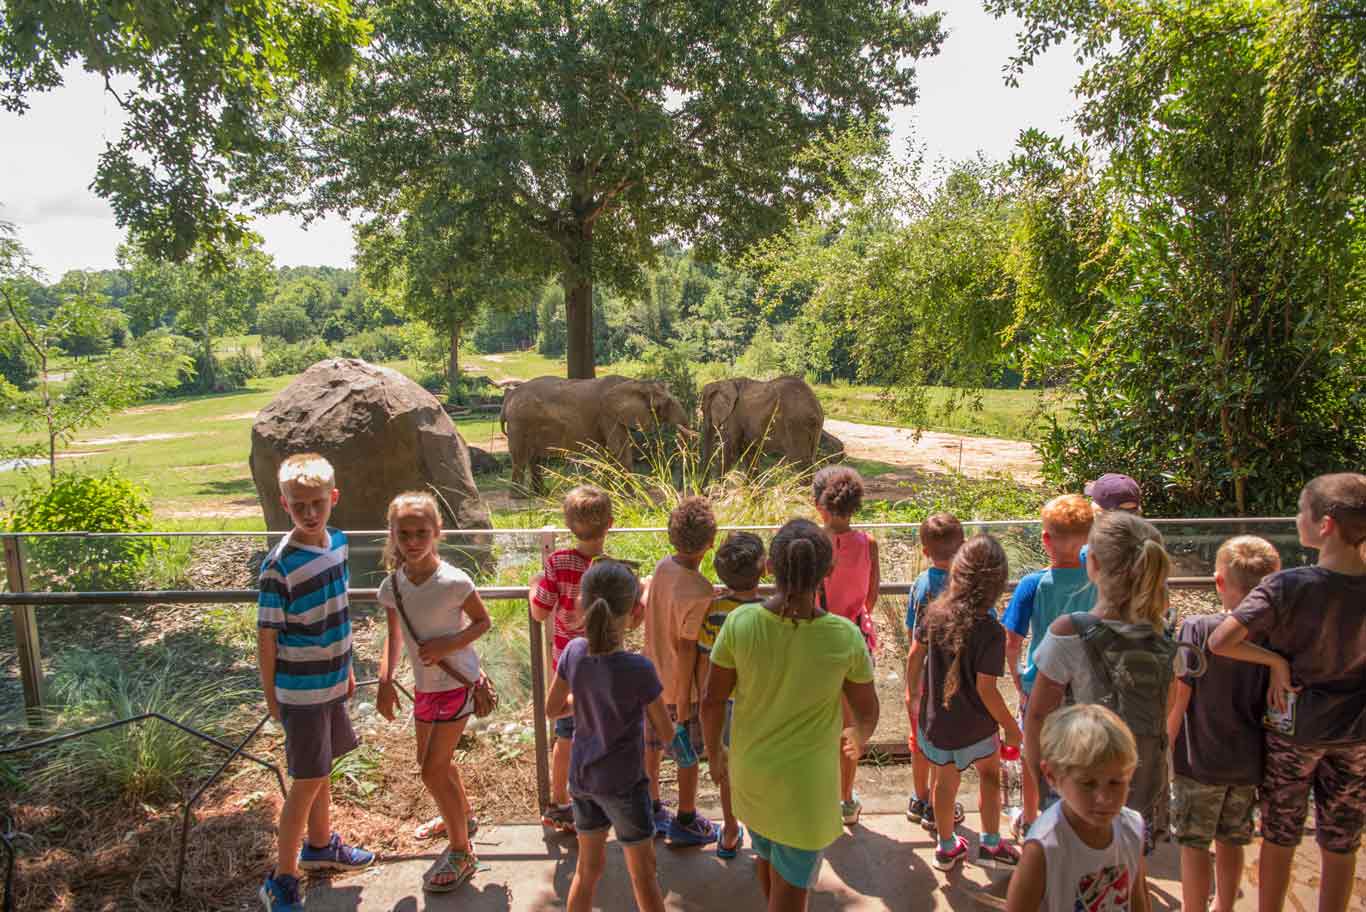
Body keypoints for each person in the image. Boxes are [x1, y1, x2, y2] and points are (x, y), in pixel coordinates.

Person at [702, 518, 878, 912]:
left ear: (768, 567)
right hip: (806, 794)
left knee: (765, 859)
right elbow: (867, 710)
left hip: (751, 777)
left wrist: (715, 753)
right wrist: (859, 734)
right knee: (790, 895)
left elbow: (711, 701)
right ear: (828, 571)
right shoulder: (843, 636)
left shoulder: (740, 623)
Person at [1209, 473, 1366, 912]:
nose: (1297, 518)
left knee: (1280, 832)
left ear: (1326, 525)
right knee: (1341, 837)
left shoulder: (1288, 585)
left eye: (1302, 511)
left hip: (1293, 729)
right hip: (1355, 733)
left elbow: (1221, 641)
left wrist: (1276, 662)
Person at [257, 454, 374, 911]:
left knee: (322, 769)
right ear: (284, 504)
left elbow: (338, 610)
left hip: (328, 684)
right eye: (299, 504)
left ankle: (321, 846)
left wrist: (346, 670)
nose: (309, 513)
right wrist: (272, 696)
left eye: (317, 503)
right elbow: (267, 638)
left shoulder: (338, 545)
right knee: (306, 780)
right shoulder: (278, 566)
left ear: (333, 499)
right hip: (300, 692)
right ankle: (282, 877)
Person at [1024, 511, 1176, 857]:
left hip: (1080, 782)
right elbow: (1167, 707)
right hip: (1138, 782)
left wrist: (1043, 781)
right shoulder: (1164, 633)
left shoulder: (1069, 631)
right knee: (1124, 864)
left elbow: (1036, 718)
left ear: (1092, 563)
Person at [375, 491, 492, 893]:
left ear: (437, 532)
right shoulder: (392, 586)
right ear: (391, 534)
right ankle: (461, 814)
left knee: (430, 769)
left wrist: (448, 646)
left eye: (421, 532)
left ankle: (462, 849)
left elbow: (482, 622)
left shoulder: (455, 581)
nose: (412, 541)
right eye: (403, 533)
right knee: (433, 763)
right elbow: (392, 636)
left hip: (457, 682)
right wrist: (386, 679)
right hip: (424, 688)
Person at [546, 560, 675, 912]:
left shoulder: (573, 652)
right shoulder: (639, 669)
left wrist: (586, 699)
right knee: (644, 875)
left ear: (580, 604)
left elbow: (552, 708)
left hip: (582, 780)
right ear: (635, 612)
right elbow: (666, 732)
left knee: (587, 870)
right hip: (625, 785)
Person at [1165, 536, 1280, 912]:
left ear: (1219, 582)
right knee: (1233, 839)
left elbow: (1179, 698)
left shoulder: (1196, 629)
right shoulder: (1273, 638)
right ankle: (1224, 906)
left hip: (1199, 761)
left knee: (1194, 843)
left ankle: (1194, 907)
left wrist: (1164, 746)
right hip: (1248, 762)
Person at [906, 534, 1022, 871]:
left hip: (938, 723)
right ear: (996, 582)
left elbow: (916, 657)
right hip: (978, 727)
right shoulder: (991, 631)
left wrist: (913, 695)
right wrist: (1012, 729)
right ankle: (990, 844)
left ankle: (946, 847)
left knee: (944, 783)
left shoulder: (934, 613)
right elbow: (987, 690)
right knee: (989, 775)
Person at [1003, 494, 1096, 835]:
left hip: (1040, 683)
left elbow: (1012, 641)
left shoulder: (1033, 584)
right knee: (1080, 750)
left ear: (1046, 539)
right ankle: (1077, 812)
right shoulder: (1098, 581)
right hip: (1087, 684)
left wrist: (1016, 678)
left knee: (1035, 751)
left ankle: (1031, 818)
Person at [1006, 705, 1150, 912]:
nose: (1104, 798)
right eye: (1088, 783)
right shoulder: (1043, 849)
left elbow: (1138, 899)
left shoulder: (1132, 829)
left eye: (1116, 782)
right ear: (1052, 776)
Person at [529, 485, 614, 833]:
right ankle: (596, 797)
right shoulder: (610, 569)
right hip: (602, 664)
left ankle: (560, 802)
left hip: (567, 664)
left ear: (568, 525)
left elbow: (538, 611)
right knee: (597, 732)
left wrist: (536, 585)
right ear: (609, 524)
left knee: (566, 734)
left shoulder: (559, 562)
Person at [642, 496, 719, 846]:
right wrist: (688, 704)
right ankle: (685, 817)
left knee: (651, 747)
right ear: (710, 543)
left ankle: (652, 806)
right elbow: (689, 646)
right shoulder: (700, 590)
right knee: (687, 756)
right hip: (679, 690)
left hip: (650, 680)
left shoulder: (661, 568)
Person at [813, 466, 881, 826]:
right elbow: (870, 597)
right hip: (853, 639)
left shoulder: (813, 542)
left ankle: (817, 793)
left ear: (819, 503)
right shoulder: (868, 543)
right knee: (849, 721)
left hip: (816, 639)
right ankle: (845, 799)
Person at [698, 531, 766, 859]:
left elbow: (705, 660)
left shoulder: (715, 610)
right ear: (764, 569)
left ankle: (728, 829)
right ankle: (764, 832)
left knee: (727, 766)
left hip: (724, 703)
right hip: (761, 704)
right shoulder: (771, 611)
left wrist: (701, 697)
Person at [905, 513, 966, 834]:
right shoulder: (968, 588)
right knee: (947, 744)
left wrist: (910, 686)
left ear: (924, 551)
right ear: (964, 547)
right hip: (956, 678)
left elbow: (912, 634)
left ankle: (920, 798)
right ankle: (939, 805)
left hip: (925, 675)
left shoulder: (921, 584)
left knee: (920, 739)